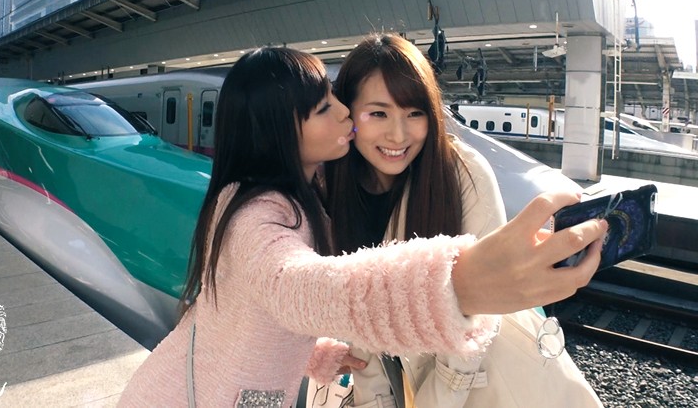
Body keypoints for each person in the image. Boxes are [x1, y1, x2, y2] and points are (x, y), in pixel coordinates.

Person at [118, 47, 607, 407]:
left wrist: (314, 354)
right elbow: (300, 290)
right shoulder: (272, 211)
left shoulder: (454, 173)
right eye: (332, 107)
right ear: (280, 131)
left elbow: (247, 322)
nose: (394, 132)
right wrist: (456, 283)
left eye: (415, 113)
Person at [324, 33, 598, 407]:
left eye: (414, 113)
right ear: (347, 112)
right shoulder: (334, 189)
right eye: (378, 113)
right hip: (407, 378)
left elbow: (479, 323)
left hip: (481, 381)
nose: (398, 135)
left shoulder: (462, 174)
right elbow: (361, 329)